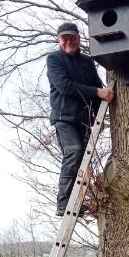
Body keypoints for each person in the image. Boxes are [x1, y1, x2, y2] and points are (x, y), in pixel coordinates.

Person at [46, 22, 115, 217]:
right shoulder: (54, 59)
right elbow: (65, 86)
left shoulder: (87, 61)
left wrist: (97, 116)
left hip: (84, 120)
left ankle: (77, 201)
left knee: (83, 162)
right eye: (64, 38)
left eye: (72, 38)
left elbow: (97, 87)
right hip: (64, 118)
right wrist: (98, 92)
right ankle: (63, 203)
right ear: (59, 40)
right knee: (74, 152)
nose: (68, 41)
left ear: (78, 38)